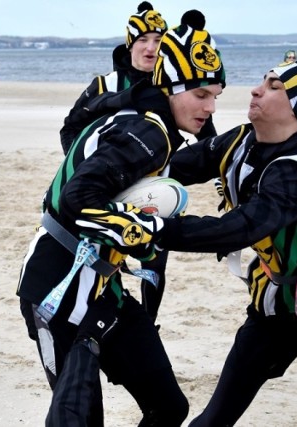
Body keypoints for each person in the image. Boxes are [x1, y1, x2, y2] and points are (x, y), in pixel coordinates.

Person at [76, 61, 297, 427]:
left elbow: (240, 228)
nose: (256, 90)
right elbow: (171, 167)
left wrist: (150, 227)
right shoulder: (241, 141)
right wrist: (106, 176)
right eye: (262, 81)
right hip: (274, 302)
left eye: (274, 87)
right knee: (213, 419)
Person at [16, 10, 225, 426]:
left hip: (104, 290)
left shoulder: (155, 126)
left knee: (169, 406)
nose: (210, 106)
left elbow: (207, 149)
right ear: (171, 86)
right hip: (57, 288)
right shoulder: (148, 132)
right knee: (79, 418)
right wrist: (142, 229)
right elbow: (77, 198)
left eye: (216, 95)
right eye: (201, 94)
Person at [59, 2, 214, 323]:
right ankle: (97, 315)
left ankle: (147, 322)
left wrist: (219, 176)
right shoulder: (105, 85)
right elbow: (71, 126)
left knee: (155, 259)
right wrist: (85, 165)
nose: (151, 47)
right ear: (130, 44)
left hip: (155, 188)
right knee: (105, 252)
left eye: (159, 40)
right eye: (143, 40)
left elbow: (208, 140)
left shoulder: (173, 86)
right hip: (103, 185)